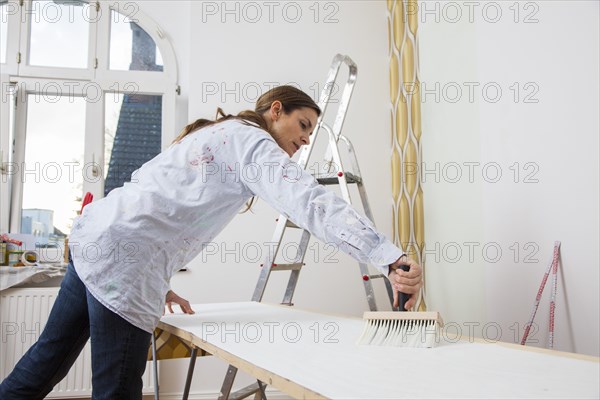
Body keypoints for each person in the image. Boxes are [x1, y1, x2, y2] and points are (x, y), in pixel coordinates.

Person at [0, 85, 422, 399]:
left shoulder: (220, 134)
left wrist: (158, 279)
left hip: (98, 242)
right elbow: (309, 201)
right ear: (276, 111)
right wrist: (387, 258)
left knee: (45, 362)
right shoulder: (252, 142)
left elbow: (157, 199)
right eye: (303, 125)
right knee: (116, 389)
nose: (307, 138)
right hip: (122, 263)